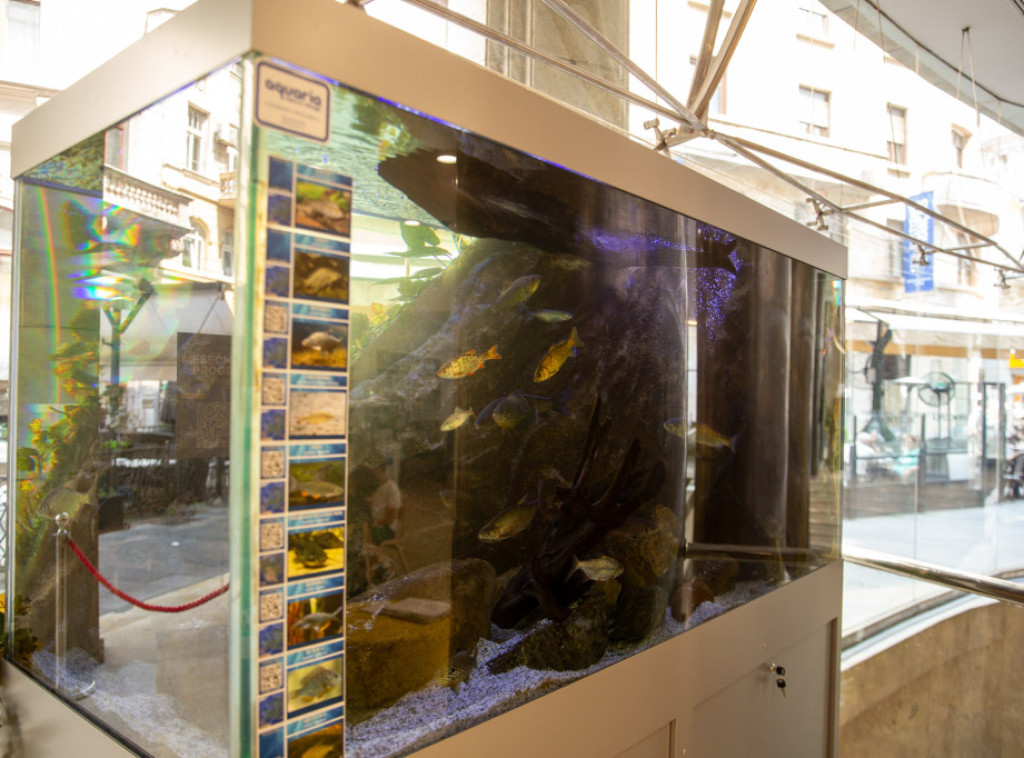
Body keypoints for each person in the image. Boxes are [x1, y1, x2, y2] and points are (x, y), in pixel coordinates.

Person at [368, 455, 401, 545]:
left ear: (378, 469)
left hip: (386, 530)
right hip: (377, 524)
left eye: (373, 469)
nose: (371, 472)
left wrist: (375, 523)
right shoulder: (380, 485)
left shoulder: (391, 488)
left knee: (361, 531)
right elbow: (378, 502)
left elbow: (391, 518)